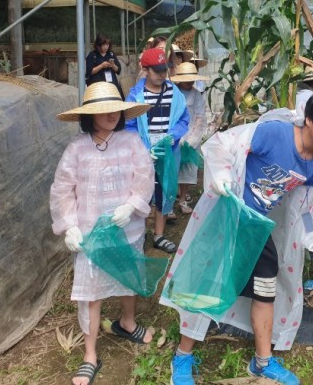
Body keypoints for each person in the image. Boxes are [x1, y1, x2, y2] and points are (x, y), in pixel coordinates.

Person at [163, 92, 313, 385]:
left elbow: (304, 212)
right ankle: (183, 356)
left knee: (266, 289)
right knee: (210, 285)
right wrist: (223, 175)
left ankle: (262, 362)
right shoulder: (276, 133)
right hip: (230, 216)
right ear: (309, 120)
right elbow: (222, 143)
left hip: (256, 228)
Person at [49, 82, 155, 385]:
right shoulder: (76, 148)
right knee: (90, 293)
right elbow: (62, 189)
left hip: (126, 229)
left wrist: (133, 205)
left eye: (114, 109)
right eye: (102, 110)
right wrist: (69, 225)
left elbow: (145, 177)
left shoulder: (132, 141)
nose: (110, 114)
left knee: (128, 278)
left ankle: (127, 321)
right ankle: (90, 354)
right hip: (90, 234)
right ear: (89, 115)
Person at [125, 47, 189, 253]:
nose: (162, 74)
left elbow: (183, 119)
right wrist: (143, 148)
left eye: (165, 70)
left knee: (164, 190)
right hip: (143, 154)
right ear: (146, 69)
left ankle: (159, 235)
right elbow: (129, 125)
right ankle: (139, 234)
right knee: (142, 193)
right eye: (157, 70)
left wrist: (172, 136)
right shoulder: (135, 96)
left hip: (168, 153)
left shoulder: (174, 93)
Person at [170, 62, 209, 214]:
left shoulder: (196, 94)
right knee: (172, 171)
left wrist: (192, 139)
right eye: (186, 79)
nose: (189, 82)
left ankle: (182, 200)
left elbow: (200, 116)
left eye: (191, 79)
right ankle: (168, 204)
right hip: (174, 135)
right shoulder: (173, 93)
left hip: (190, 135)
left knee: (187, 171)